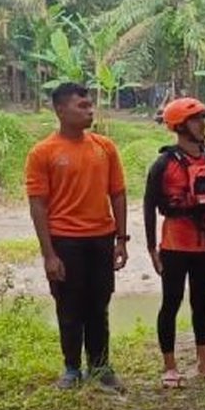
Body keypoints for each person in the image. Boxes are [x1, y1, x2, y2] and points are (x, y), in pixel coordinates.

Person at [25, 82, 129, 391]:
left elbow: (118, 193)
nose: (90, 111)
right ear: (60, 110)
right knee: (69, 307)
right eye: (81, 106)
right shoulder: (43, 152)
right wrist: (49, 254)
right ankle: (71, 369)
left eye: (90, 105)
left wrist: (121, 239)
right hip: (65, 240)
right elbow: (38, 205)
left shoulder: (104, 147)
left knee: (99, 305)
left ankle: (100, 367)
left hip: (101, 238)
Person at [144, 97, 205, 388]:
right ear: (180, 126)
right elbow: (149, 206)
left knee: (202, 302)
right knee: (171, 302)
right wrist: (151, 248)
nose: (202, 124)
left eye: (203, 118)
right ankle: (170, 367)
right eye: (196, 120)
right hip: (175, 245)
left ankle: (203, 364)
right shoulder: (164, 164)